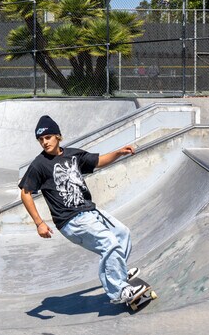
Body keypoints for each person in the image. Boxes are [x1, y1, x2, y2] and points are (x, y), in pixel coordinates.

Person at [19, 115, 143, 305]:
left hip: (90, 211)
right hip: (71, 220)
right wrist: (39, 223)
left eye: (48, 138)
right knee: (109, 243)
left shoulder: (73, 155)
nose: (45, 143)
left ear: (58, 136)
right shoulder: (39, 165)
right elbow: (25, 193)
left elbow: (98, 161)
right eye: (41, 140)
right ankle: (120, 291)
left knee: (122, 234)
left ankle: (117, 272)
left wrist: (118, 153)